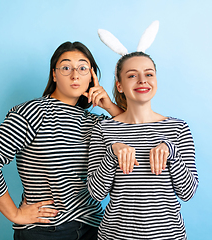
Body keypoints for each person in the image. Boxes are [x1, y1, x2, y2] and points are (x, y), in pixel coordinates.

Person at [0, 41, 123, 240]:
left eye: (83, 68)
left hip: (94, 228)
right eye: (66, 67)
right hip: (46, 231)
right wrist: (14, 214)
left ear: (92, 76)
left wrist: (110, 106)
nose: (75, 74)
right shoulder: (33, 112)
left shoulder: (97, 122)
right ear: (54, 74)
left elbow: (136, 137)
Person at [87, 51, 199, 239]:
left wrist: (170, 151)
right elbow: (96, 193)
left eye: (148, 74)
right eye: (132, 75)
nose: (142, 80)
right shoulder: (103, 130)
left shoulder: (178, 128)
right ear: (119, 86)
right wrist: (111, 153)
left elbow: (187, 192)